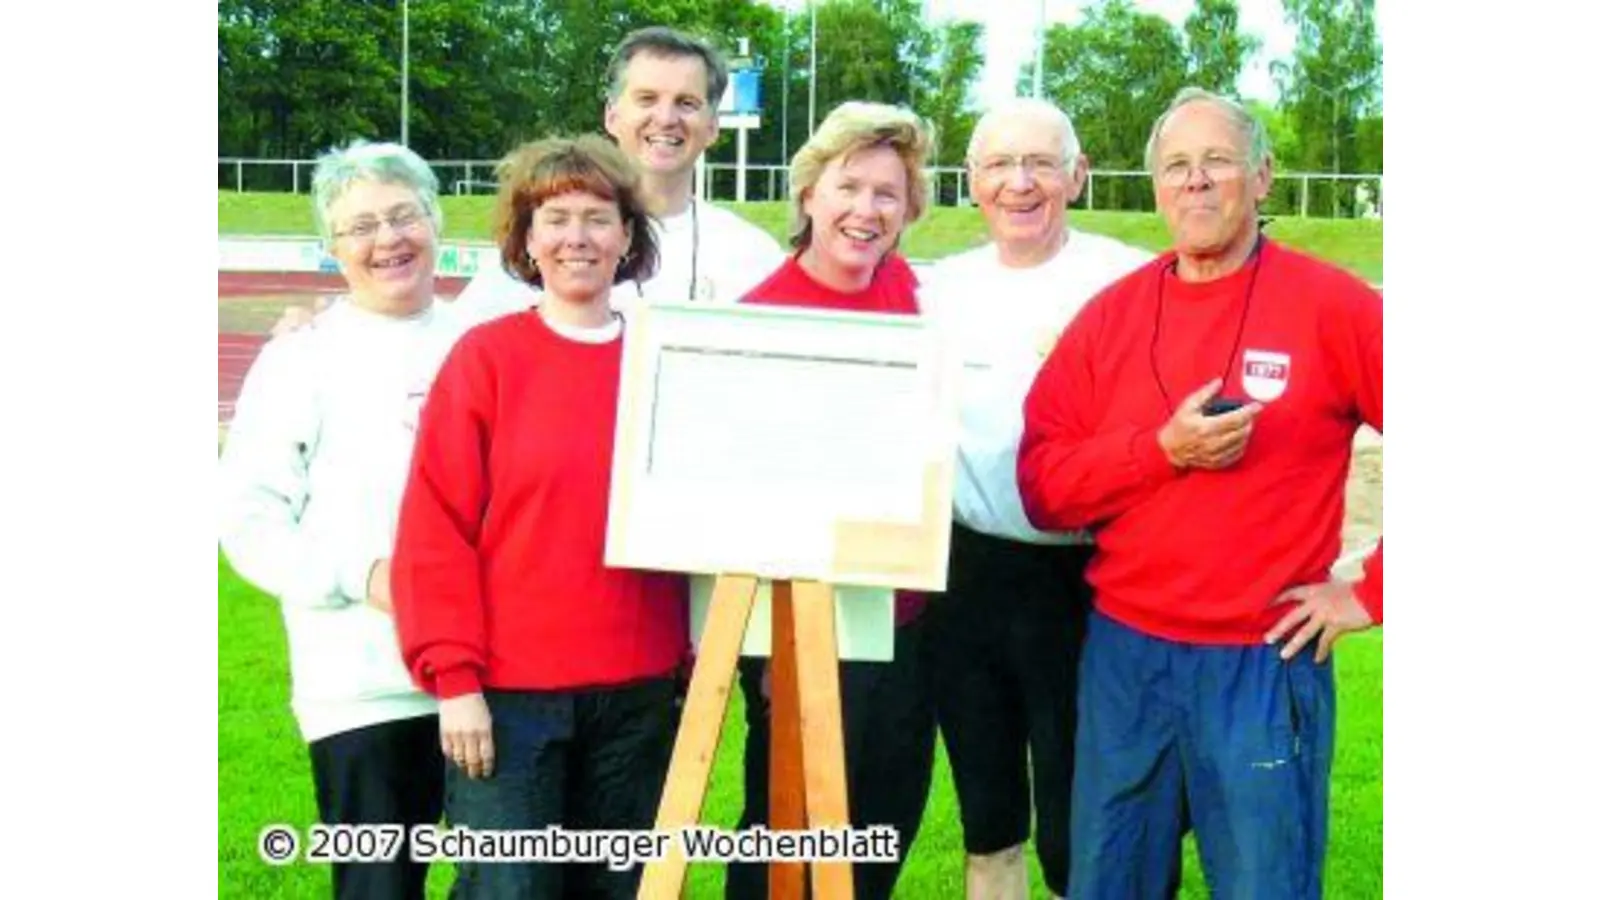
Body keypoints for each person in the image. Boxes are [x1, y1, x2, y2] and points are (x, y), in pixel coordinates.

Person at [1017, 87, 1383, 900]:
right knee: (1107, 880)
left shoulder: (1332, 306)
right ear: (1155, 188)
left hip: (1262, 658)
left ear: (1263, 177)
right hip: (1125, 657)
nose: (1198, 182)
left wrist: (1371, 591)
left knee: (1265, 884)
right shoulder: (1110, 318)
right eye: (1177, 166)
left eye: (1218, 161)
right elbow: (1043, 485)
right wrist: (1160, 452)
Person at [388, 134, 686, 900]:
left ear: (628, 235)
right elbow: (435, 530)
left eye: (598, 216)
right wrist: (454, 680)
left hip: (641, 690)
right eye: (555, 218)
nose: (577, 237)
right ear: (526, 239)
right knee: (510, 891)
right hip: (509, 698)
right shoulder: (485, 359)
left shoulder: (669, 359)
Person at [915, 97, 1152, 900]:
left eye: (1041, 164)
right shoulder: (935, 290)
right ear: (971, 182)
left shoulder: (1125, 280)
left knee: (1081, 822)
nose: (1020, 184)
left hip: (1087, 583)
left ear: (1077, 176)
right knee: (989, 821)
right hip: (966, 577)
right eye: (999, 166)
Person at [217, 140, 457, 900]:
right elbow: (249, 518)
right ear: (331, 247)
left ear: (436, 221)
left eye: (402, 216)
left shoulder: (483, 341)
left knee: (513, 882)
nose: (387, 240)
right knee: (379, 886)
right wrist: (364, 575)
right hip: (362, 683)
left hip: (494, 677)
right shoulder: (300, 359)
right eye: (360, 227)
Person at [724, 101, 935, 900]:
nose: (866, 211)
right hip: (798, 624)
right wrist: (772, 642)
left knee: (879, 830)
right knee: (785, 837)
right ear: (810, 194)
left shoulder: (921, 301)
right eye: (849, 187)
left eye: (888, 194)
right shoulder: (758, 318)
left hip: (906, 618)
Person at [449, 25, 786, 322]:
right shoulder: (553, 243)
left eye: (687, 103)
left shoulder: (754, 256)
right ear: (612, 116)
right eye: (647, 99)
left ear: (712, 126)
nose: (666, 118)